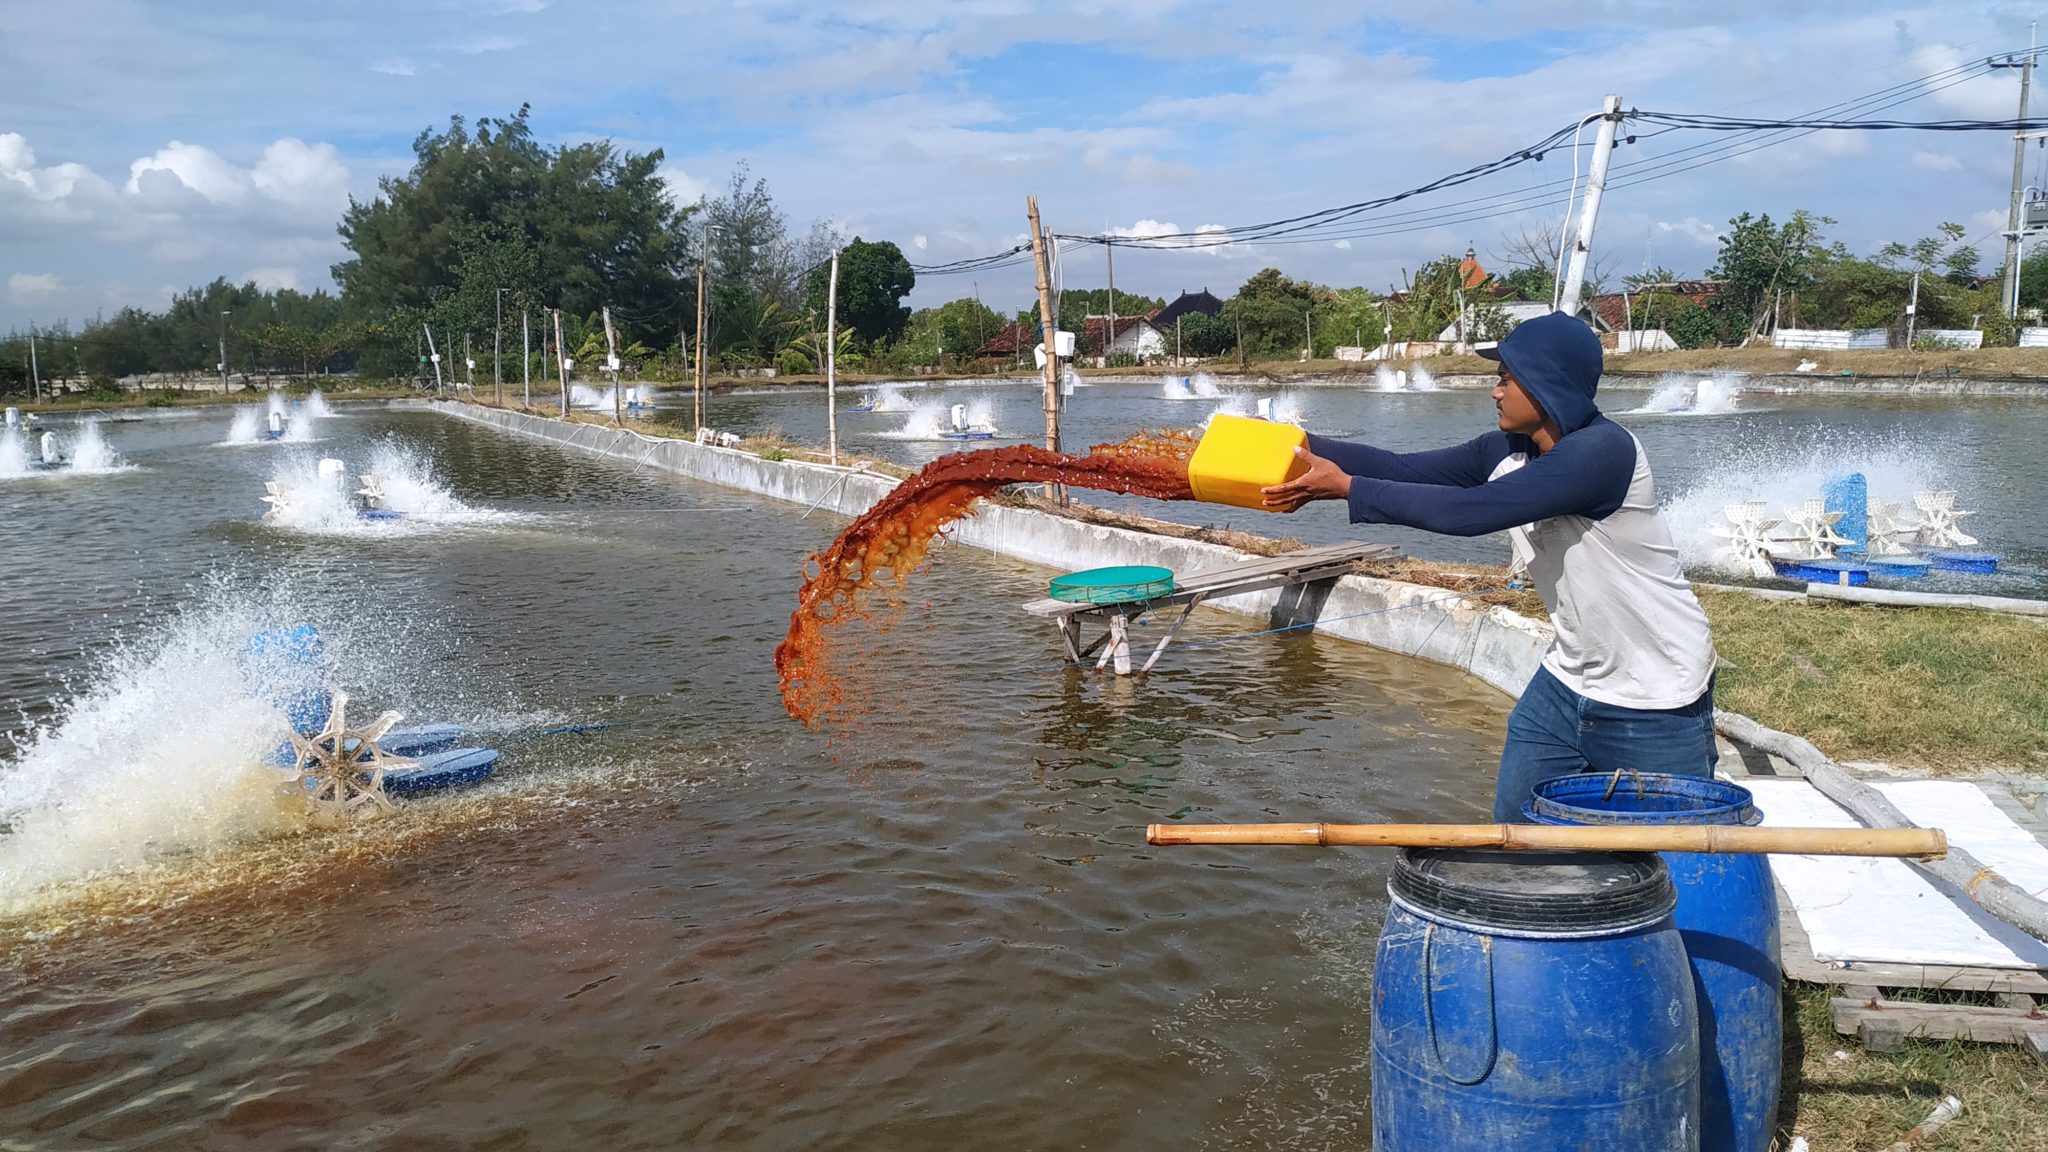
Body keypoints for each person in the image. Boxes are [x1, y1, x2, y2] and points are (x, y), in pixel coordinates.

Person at [1260, 312, 1717, 820]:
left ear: (1547, 382)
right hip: (1568, 682)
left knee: (1678, 852)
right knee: (1520, 833)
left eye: (1505, 378)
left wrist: (1346, 488)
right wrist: (1296, 444)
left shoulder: (1601, 453)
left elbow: (1471, 513)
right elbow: (1402, 468)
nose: (1495, 391)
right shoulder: (1507, 448)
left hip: (1656, 692)